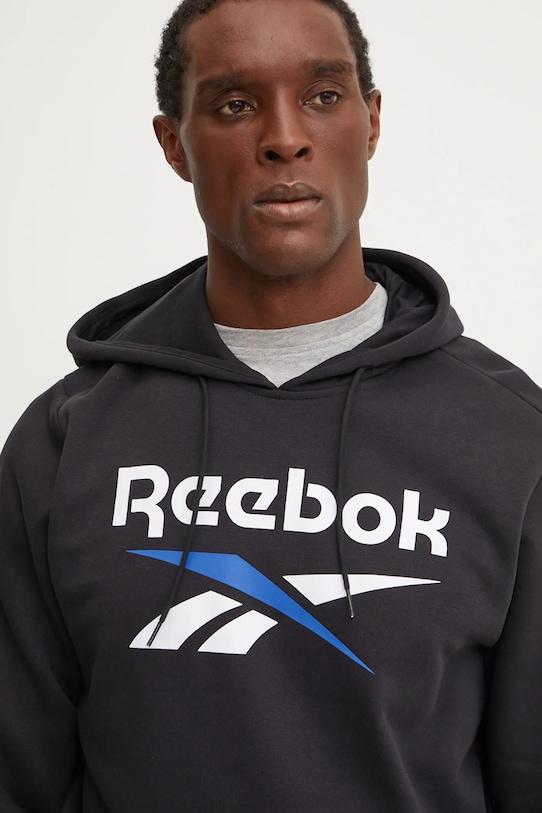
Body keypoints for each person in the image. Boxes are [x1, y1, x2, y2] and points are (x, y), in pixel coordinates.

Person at [1, 0, 541, 810]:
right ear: (174, 144)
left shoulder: (510, 438)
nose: (285, 138)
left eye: (323, 95)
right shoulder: (65, 440)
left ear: (371, 121)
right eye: (234, 104)